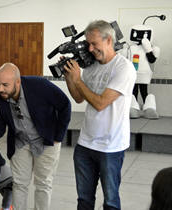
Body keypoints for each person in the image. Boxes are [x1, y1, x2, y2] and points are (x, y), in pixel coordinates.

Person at [63, 20, 136, 210]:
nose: (90, 48)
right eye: (88, 43)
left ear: (109, 40)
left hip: (111, 146)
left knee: (111, 202)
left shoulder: (124, 68)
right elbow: (79, 98)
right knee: (84, 200)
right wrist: (70, 78)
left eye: (94, 43)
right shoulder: (91, 67)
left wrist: (78, 80)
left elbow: (101, 103)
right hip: (85, 144)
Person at [0, 62, 71, 210]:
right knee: (19, 184)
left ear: (17, 82)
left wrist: (58, 136)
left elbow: (65, 105)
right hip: (20, 142)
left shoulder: (39, 86)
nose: (0, 89)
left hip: (46, 140)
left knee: (43, 183)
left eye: (5, 85)